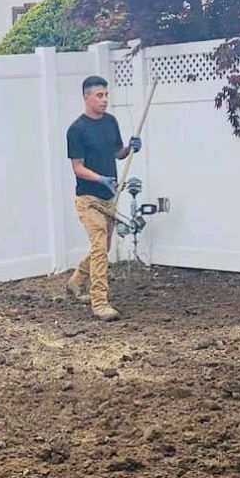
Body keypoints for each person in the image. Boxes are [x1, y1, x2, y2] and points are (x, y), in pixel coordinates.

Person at [65, 74, 140, 321]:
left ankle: (76, 282)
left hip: (109, 198)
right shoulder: (76, 130)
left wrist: (130, 148)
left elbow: (118, 153)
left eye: (106, 95)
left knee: (103, 246)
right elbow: (77, 167)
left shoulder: (110, 122)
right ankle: (99, 302)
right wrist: (99, 178)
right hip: (88, 199)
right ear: (87, 97)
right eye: (100, 95)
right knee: (99, 247)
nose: (105, 100)